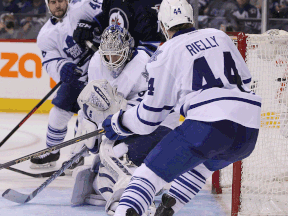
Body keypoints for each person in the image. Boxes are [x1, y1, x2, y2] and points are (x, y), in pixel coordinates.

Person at [101, 0, 262, 215]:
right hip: (248, 131)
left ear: (163, 25)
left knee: (146, 177)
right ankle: (169, 207)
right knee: (199, 168)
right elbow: (246, 79)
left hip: (208, 126)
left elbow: (148, 119)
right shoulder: (220, 36)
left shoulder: (165, 52)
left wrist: (118, 122)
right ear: (190, 18)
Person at [70, 24, 180, 215]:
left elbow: (146, 113)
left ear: (128, 52)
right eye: (108, 55)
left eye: (117, 55)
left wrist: (108, 123)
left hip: (158, 129)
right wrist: (88, 135)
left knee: (114, 152)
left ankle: (127, 199)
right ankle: (132, 191)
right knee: (104, 157)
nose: (111, 61)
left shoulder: (146, 64)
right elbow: (92, 102)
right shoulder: (98, 60)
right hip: (127, 126)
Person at [30, 0, 102, 170]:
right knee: (58, 112)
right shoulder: (46, 35)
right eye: (53, 2)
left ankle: (77, 155)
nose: (58, 6)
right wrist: (62, 67)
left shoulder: (83, 8)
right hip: (77, 77)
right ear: (48, 5)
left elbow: (109, 12)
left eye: (61, 1)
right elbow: (50, 62)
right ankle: (52, 151)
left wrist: (96, 26)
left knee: (86, 116)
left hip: (100, 73)